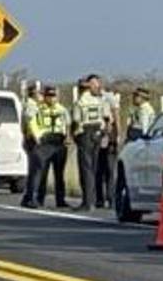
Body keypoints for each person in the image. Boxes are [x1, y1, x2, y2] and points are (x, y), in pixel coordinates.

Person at [71, 74, 108, 211]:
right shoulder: (98, 100)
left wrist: (74, 134)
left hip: (85, 133)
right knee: (93, 167)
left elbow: (76, 119)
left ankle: (88, 201)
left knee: (85, 169)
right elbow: (105, 118)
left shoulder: (80, 102)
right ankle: (93, 199)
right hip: (97, 132)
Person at [30, 85, 70, 208]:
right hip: (45, 142)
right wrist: (36, 136)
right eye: (49, 96)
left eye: (54, 96)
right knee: (42, 172)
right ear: (45, 97)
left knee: (59, 173)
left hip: (59, 142)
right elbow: (32, 123)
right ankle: (38, 199)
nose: (51, 99)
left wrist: (68, 137)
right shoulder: (39, 109)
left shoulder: (62, 110)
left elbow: (67, 123)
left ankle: (60, 200)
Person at [95, 89, 121, 208]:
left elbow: (116, 119)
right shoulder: (94, 103)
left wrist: (117, 135)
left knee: (110, 170)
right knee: (98, 170)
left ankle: (111, 198)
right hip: (97, 139)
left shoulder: (109, 100)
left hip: (110, 140)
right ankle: (99, 198)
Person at [20, 81, 42, 208]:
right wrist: (34, 136)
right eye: (38, 92)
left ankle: (27, 196)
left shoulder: (32, 105)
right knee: (36, 169)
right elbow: (29, 122)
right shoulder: (31, 105)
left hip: (31, 138)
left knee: (34, 169)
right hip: (33, 139)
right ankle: (31, 197)